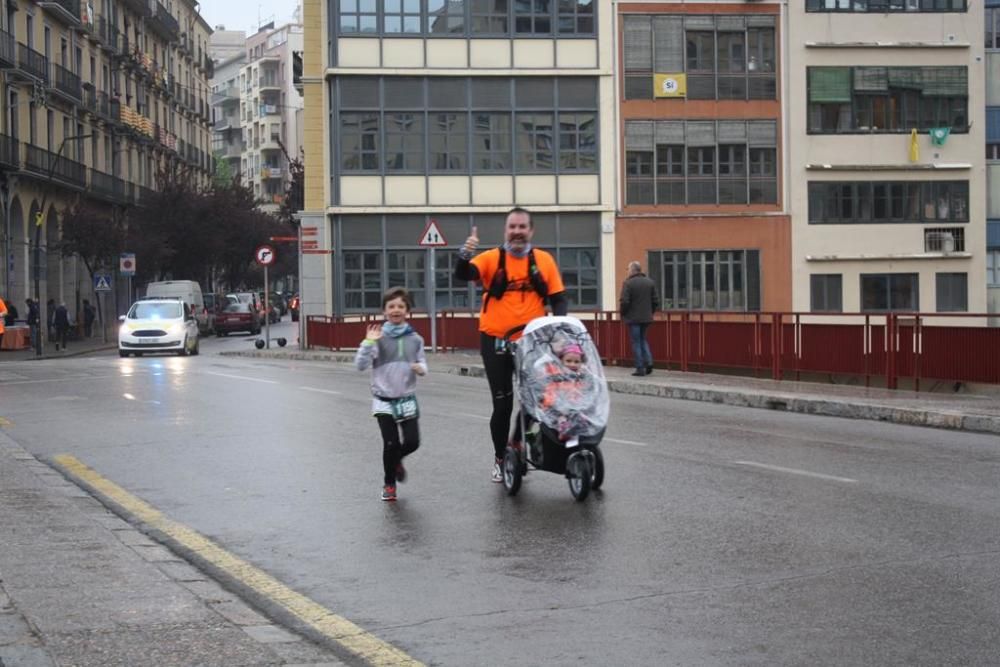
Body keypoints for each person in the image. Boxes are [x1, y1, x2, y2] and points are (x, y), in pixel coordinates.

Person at [454, 207, 569, 483]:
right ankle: (499, 458)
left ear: (531, 231)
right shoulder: (492, 258)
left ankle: (516, 443)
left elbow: (559, 298)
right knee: (503, 404)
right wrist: (465, 253)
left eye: (522, 227)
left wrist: (561, 330)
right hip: (496, 341)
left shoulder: (543, 260)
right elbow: (463, 274)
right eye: (512, 227)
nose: (517, 232)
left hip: (533, 342)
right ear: (506, 230)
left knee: (536, 399)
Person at [354, 287, 428, 502]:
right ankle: (389, 483)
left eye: (401, 306)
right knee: (390, 443)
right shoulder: (377, 338)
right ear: (384, 312)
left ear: (407, 311)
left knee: (413, 441)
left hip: (407, 398)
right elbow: (360, 365)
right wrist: (367, 343)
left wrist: (421, 369)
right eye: (391, 306)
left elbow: (423, 362)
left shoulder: (416, 339)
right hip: (383, 400)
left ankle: (396, 461)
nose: (396, 310)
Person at [619, 260, 658, 377]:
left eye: (628, 269)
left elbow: (624, 301)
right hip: (646, 318)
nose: (628, 271)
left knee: (636, 342)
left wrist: (623, 314)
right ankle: (649, 362)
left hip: (633, 318)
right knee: (643, 339)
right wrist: (650, 312)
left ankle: (640, 368)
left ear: (632, 270)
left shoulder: (628, 283)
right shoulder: (650, 283)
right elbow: (655, 301)